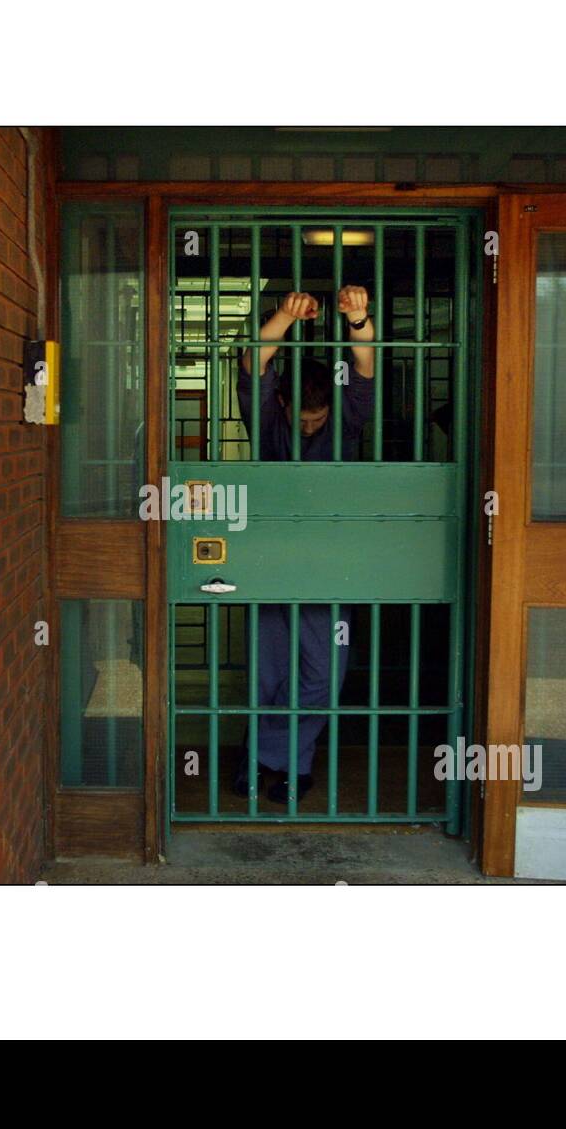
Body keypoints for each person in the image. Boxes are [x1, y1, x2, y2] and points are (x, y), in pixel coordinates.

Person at [233, 285, 376, 804]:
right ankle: (292, 765)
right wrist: (283, 317)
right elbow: (255, 360)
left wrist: (359, 318)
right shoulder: (269, 419)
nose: (312, 426)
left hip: (330, 568)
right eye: (304, 417)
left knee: (323, 674)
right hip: (270, 564)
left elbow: (365, 364)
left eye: (319, 419)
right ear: (283, 402)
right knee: (267, 672)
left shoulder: (347, 418)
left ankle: (261, 754)